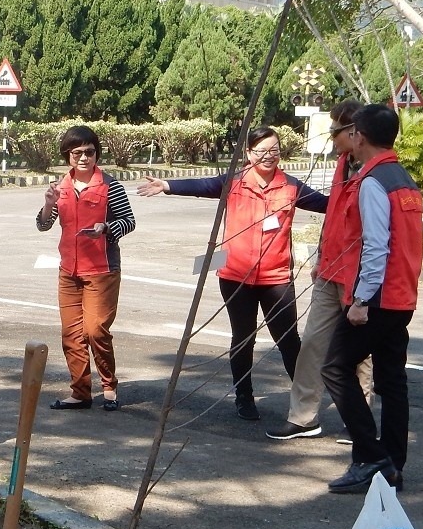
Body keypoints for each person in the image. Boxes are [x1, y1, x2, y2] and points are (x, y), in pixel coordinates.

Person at [138, 127, 328, 421]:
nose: (269, 156)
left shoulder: (291, 187)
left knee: (289, 340)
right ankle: (244, 396)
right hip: (235, 275)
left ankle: (304, 402)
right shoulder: (235, 183)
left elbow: (327, 204)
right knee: (243, 337)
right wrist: (166, 184)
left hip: (276, 277)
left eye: (274, 150)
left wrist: (355, 192)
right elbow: (202, 185)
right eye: (261, 151)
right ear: (248, 153)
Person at [324, 105, 423, 493]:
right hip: (403, 295)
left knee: (334, 366)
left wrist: (361, 299)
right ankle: (392, 466)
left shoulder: (373, 181)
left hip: (380, 296)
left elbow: (377, 247)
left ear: (359, 137)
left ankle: (371, 456)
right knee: (392, 381)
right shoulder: (404, 179)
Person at [267, 100, 373, 440]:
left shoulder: (374, 170)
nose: (331, 137)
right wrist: (318, 257)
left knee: (358, 352)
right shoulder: (342, 163)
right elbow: (334, 215)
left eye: (335, 130)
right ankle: (303, 416)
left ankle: (359, 418)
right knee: (313, 342)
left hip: (358, 273)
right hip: (330, 269)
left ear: (354, 132)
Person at [36, 125, 136, 410]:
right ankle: (80, 392)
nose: (84, 158)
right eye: (77, 152)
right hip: (68, 270)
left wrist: (105, 228)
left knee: (95, 331)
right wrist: (47, 205)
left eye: (90, 152)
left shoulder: (110, 185)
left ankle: (109, 387)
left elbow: (129, 221)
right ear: (68, 155)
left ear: (97, 154)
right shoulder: (61, 188)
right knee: (71, 334)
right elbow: (44, 225)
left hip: (102, 270)